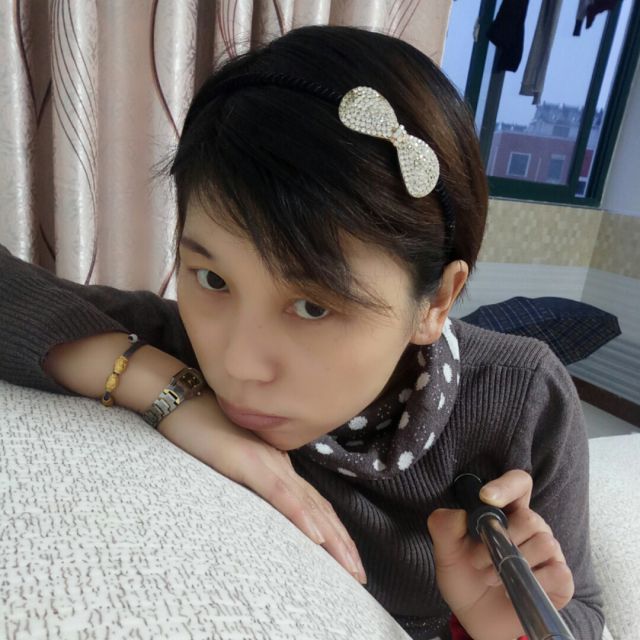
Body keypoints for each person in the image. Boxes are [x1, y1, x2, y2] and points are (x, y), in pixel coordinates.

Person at [0, 25, 603, 640]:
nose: (237, 364)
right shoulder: (178, 345)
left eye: (313, 307)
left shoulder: (525, 402)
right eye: (213, 278)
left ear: (438, 300)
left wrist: (492, 628)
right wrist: (167, 390)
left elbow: (580, 609)